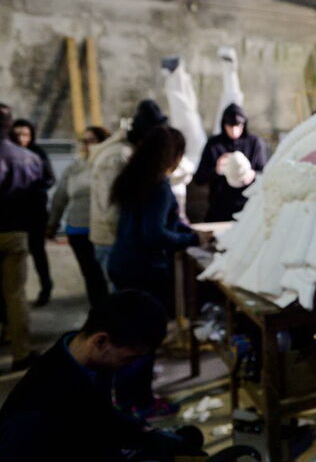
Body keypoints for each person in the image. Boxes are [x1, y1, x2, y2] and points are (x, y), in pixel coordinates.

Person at [0, 289, 205, 461]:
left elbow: (98, 415)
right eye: (129, 358)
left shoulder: (86, 360)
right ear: (100, 341)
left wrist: (146, 433)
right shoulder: (39, 411)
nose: (130, 366)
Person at [107, 126, 210, 417]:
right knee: (142, 338)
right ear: (172, 156)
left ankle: (127, 397)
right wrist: (192, 239)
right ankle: (139, 403)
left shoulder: (135, 178)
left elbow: (164, 222)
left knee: (126, 334)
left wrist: (188, 231)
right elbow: (155, 235)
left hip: (123, 264)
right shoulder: (158, 185)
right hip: (143, 270)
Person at [89, 99, 167, 285]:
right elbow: (111, 209)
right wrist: (128, 241)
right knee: (123, 303)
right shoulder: (119, 157)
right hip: (112, 242)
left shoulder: (128, 152)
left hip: (121, 242)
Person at [46, 126, 111, 308]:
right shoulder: (75, 167)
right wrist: (52, 224)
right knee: (91, 275)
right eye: (84, 141)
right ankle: (98, 312)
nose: (87, 145)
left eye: (92, 141)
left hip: (104, 230)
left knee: (106, 276)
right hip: (78, 229)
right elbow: (60, 197)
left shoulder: (108, 165)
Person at [0, 105, 43, 372]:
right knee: (15, 294)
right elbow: (38, 193)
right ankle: (21, 353)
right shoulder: (28, 158)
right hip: (16, 232)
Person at [194, 103, 267, 222]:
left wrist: (253, 175)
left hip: (249, 207)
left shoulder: (254, 143)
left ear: (244, 124)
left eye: (238, 125)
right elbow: (199, 178)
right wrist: (217, 170)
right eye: (230, 126)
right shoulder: (214, 145)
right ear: (223, 125)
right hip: (220, 208)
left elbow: (265, 173)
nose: (234, 130)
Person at [10, 119, 56, 306]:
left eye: (26, 134)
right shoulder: (9, 154)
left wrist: (31, 189)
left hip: (35, 212)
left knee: (38, 252)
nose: (22, 138)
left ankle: (46, 287)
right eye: (18, 134)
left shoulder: (37, 153)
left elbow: (49, 178)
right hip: (14, 215)